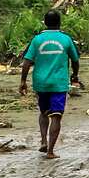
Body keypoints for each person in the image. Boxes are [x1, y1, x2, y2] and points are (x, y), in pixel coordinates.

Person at [19, 10, 82, 157]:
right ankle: (51, 151)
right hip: (59, 83)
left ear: (45, 23)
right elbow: (75, 60)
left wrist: (23, 81)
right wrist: (75, 75)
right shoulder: (66, 39)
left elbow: (27, 62)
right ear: (59, 22)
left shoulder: (37, 40)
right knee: (56, 116)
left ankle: (43, 141)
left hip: (41, 83)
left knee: (43, 112)